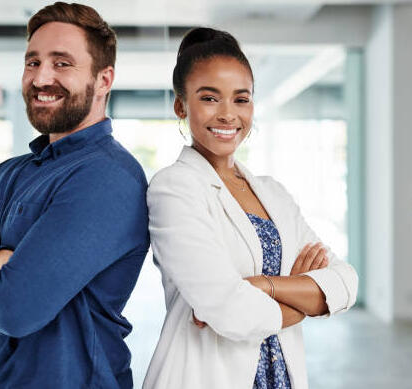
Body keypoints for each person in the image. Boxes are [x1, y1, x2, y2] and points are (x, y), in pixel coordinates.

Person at [0, 3, 149, 388]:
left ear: (104, 79)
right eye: (33, 62)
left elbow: (14, 307)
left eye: (62, 64)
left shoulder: (108, 176)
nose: (41, 77)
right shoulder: (9, 173)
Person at [143, 28, 358, 389]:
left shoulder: (273, 193)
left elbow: (345, 282)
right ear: (181, 105)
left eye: (241, 99)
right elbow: (230, 312)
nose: (228, 115)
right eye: (210, 98)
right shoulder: (174, 188)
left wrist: (263, 285)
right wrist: (306, 297)